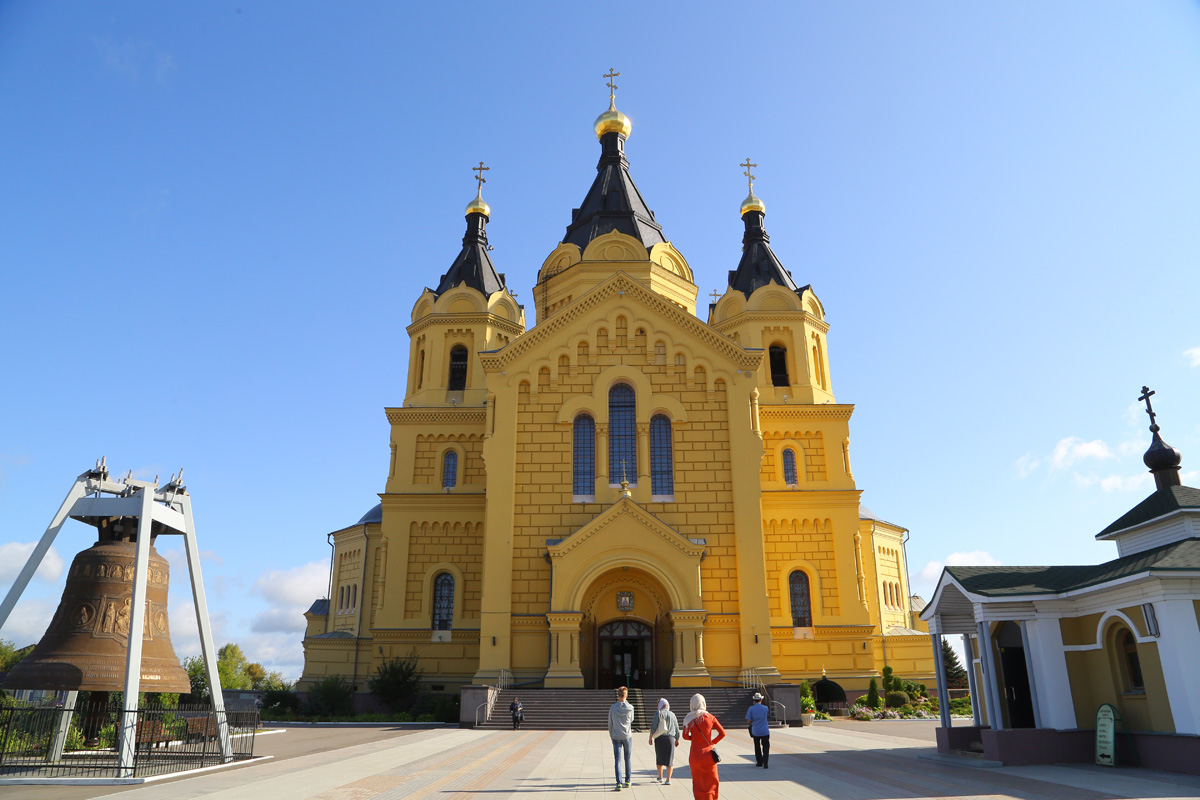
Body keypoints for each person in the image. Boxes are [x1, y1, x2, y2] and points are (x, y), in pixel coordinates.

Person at [682, 693, 726, 800]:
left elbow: (685, 736)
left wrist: (695, 738)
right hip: (708, 754)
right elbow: (722, 733)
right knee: (712, 782)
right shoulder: (710, 717)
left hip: (695, 755)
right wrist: (711, 742)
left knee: (698, 782)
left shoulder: (688, 718)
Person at [648, 697, 680, 785]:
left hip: (659, 738)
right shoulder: (672, 714)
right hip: (670, 739)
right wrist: (677, 739)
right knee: (669, 759)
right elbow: (677, 728)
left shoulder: (658, 713)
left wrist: (650, 738)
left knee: (660, 758)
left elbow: (654, 727)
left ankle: (660, 777)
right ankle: (668, 779)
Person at [609, 686, 634, 790]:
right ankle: (628, 781)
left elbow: (610, 723)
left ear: (617, 695)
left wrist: (611, 734)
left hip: (616, 735)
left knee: (617, 760)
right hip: (627, 735)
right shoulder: (630, 708)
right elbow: (631, 720)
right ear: (626, 695)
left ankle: (619, 782)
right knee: (627, 759)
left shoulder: (613, 708)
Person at [745, 692, 770, 768]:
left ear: (754, 700)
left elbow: (748, 720)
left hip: (755, 730)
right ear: (761, 700)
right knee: (766, 746)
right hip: (765, 730)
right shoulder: (766, 708)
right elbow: (767, 716)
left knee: (757, 746)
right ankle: (765, 762)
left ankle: (759, 762)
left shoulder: (751, 709)